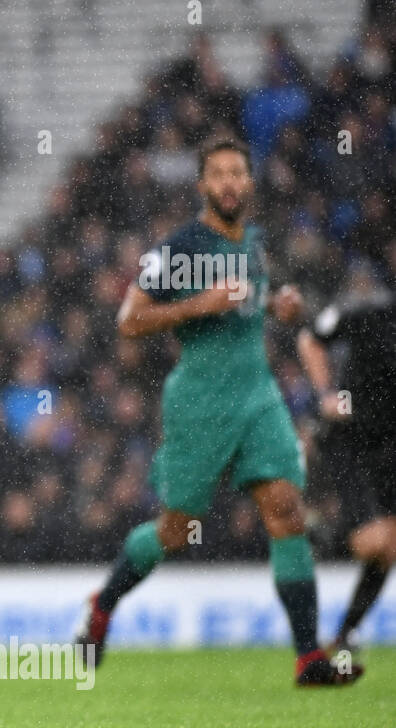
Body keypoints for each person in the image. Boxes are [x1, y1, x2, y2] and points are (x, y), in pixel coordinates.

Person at [73, 136, 360, 687]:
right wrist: (199, 304)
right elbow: (129, 319)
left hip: (258, 394)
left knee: (285, 507)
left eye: (238, 173)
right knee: (177, 530)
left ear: (249, 183)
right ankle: (104, 603)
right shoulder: (182, 247)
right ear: (203, 185)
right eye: (218, 174)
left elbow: (248, 303)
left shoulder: (253, 241)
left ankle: (309, 658)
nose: (229, 183)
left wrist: (277, 305)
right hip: (201, 402)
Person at [296, 281, 396, 653]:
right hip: (351, 437)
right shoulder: (372, 311)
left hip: (389, 446)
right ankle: (318, 534)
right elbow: (311, 339)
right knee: (375, 542)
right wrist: (325, 395)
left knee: (388, 549)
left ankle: (345, 635)